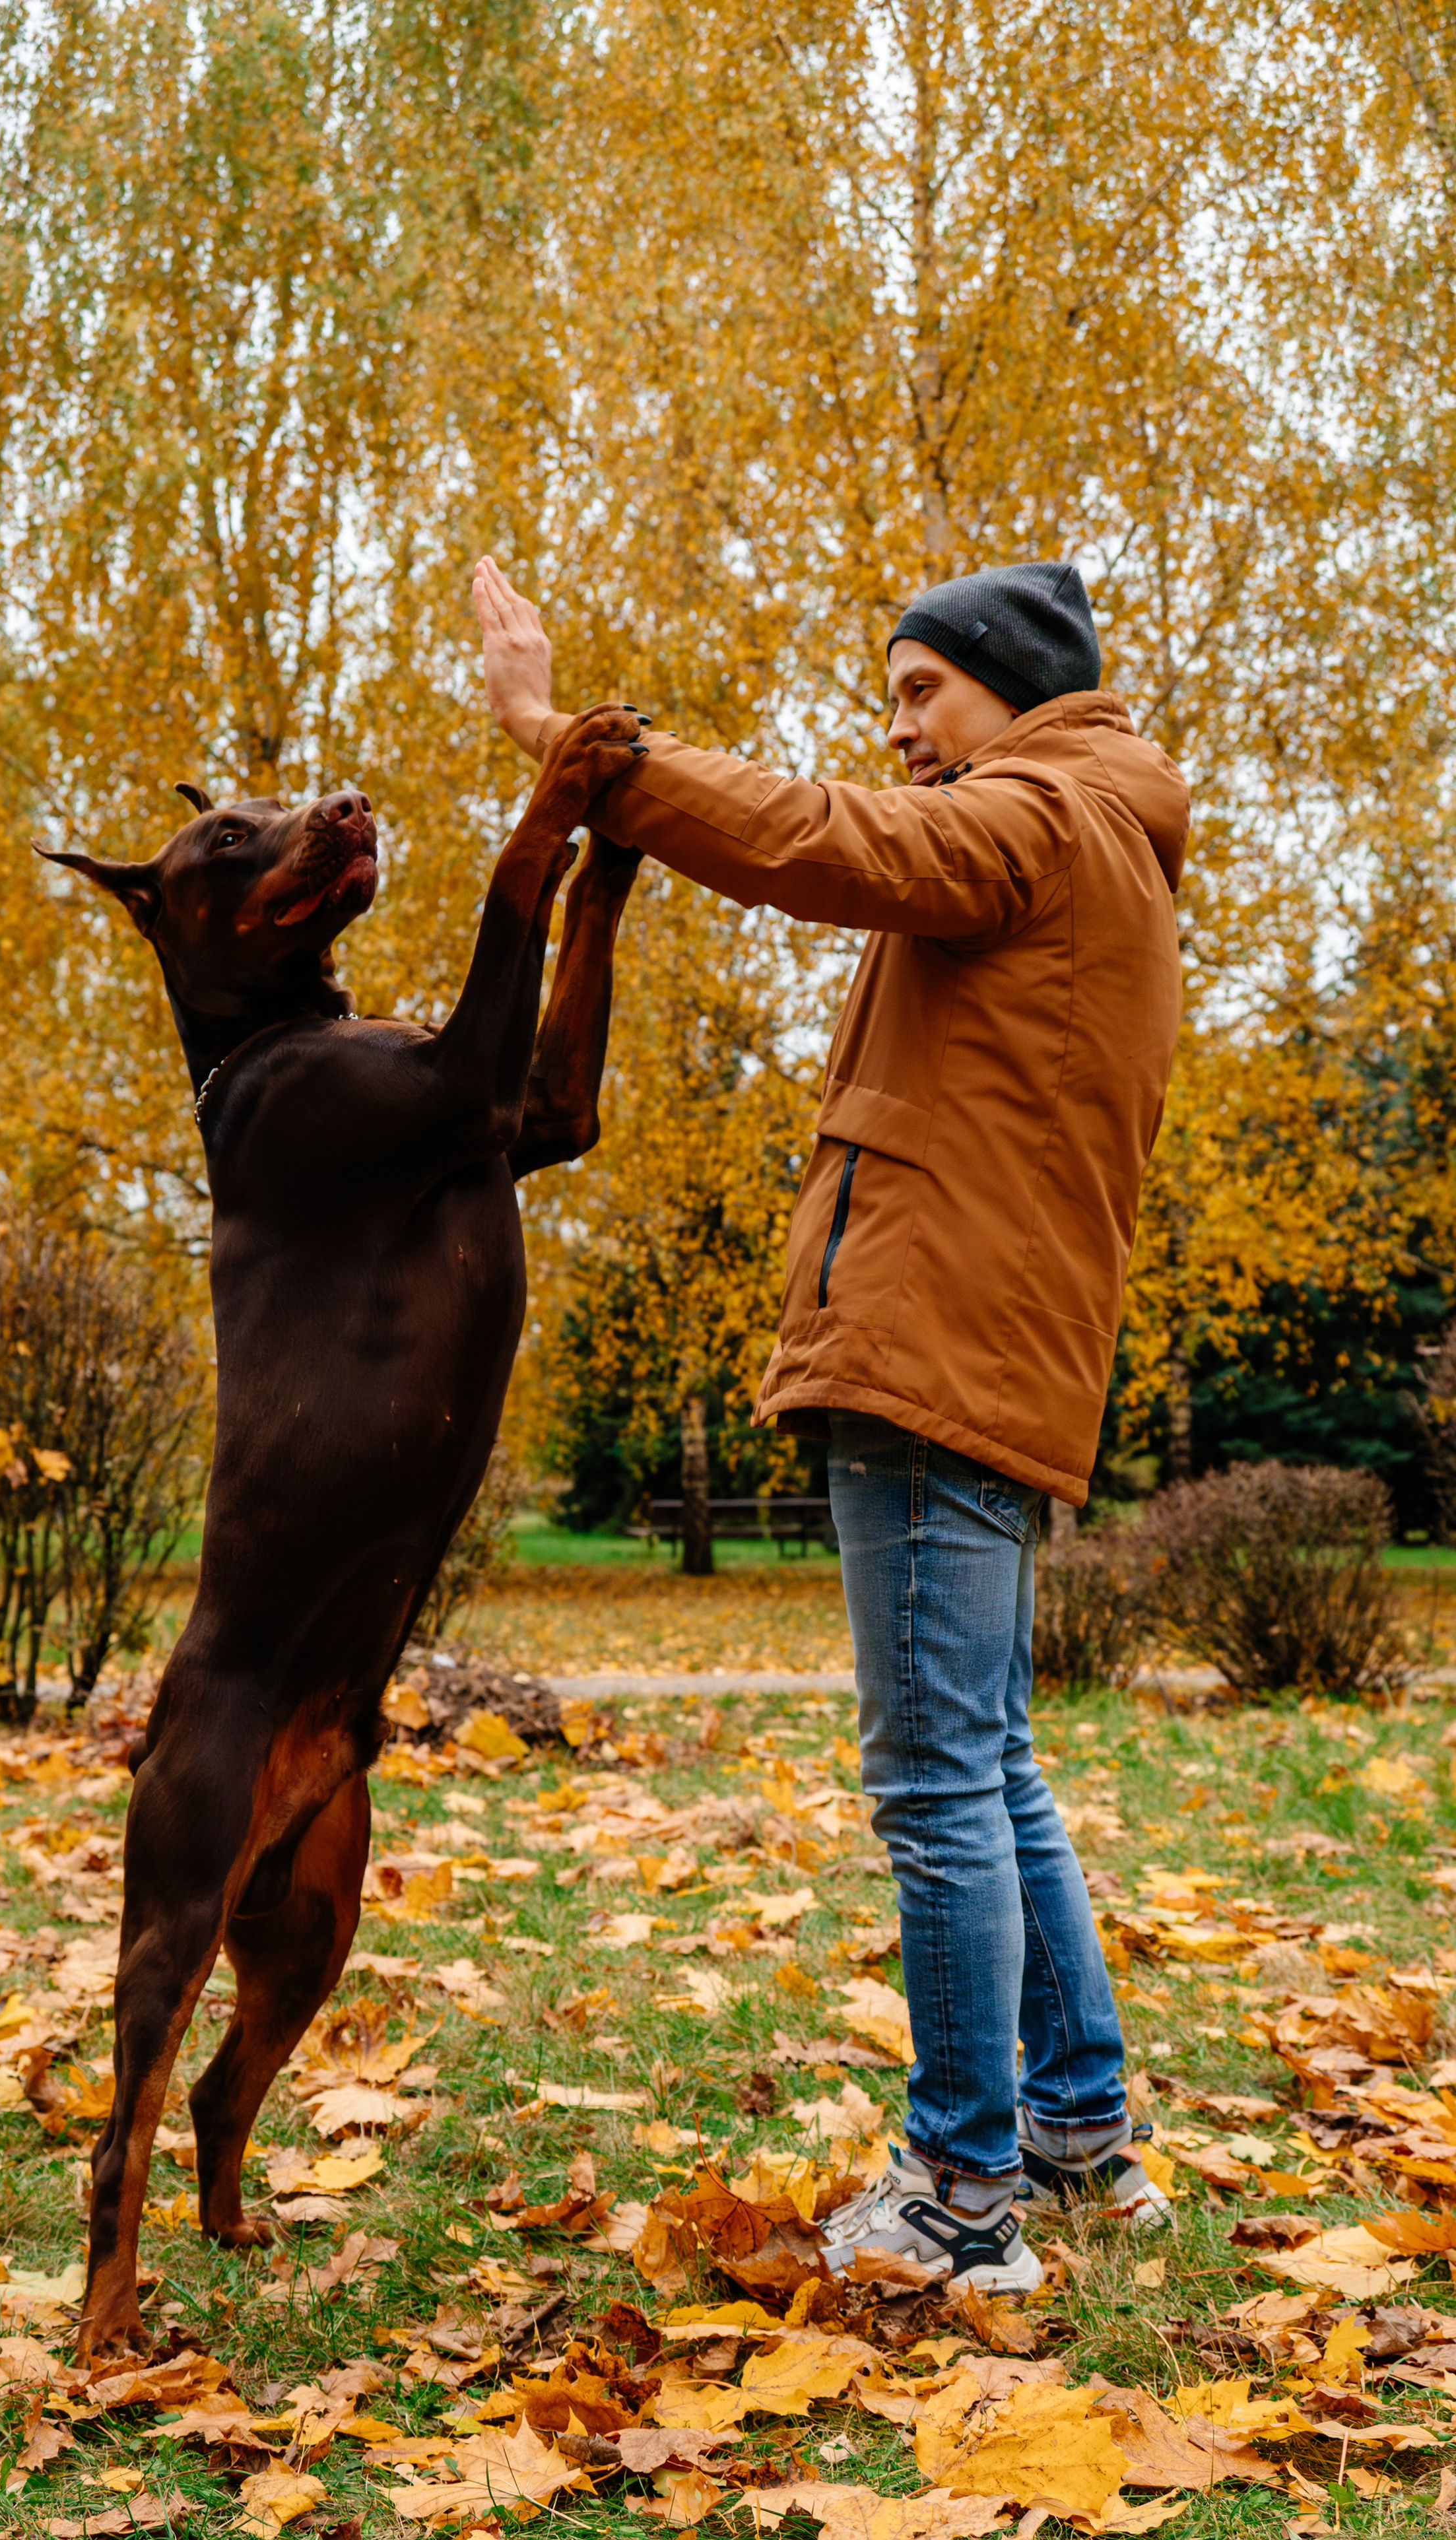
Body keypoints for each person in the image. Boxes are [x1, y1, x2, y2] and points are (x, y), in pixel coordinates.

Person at [473, 554, 1185, 2293]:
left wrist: (578, 750)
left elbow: (829, 841)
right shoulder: (1093, 824)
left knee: (938, 1777)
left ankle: (960, 2200)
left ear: (1016, 686)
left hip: (938, 1349)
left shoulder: (1041, 817)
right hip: (979, 1345)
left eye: (924, 686)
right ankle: (1077, 2138)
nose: (897, 721)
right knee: (992, 1764)